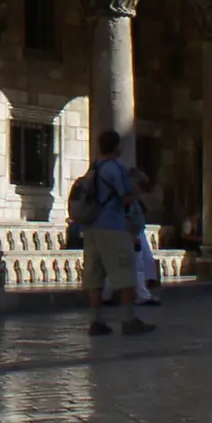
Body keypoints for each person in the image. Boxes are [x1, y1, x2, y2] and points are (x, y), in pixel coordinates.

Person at [76, 131, 154, 336]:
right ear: (117, 147)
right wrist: (138, 188)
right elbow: (125, 198)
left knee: (94, 276)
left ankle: (95, 321)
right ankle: (128, 320)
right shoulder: (115, 169)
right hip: (112, 226)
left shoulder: (93, 169)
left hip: (91, 227)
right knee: (124, 272)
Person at [129, 168, 161, 306]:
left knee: (144, 262)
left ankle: (143, 291)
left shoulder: (135, 199)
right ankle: (141, 294)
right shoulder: (127, 198)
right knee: (139, 265)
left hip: (138, 231)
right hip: (133, 233)